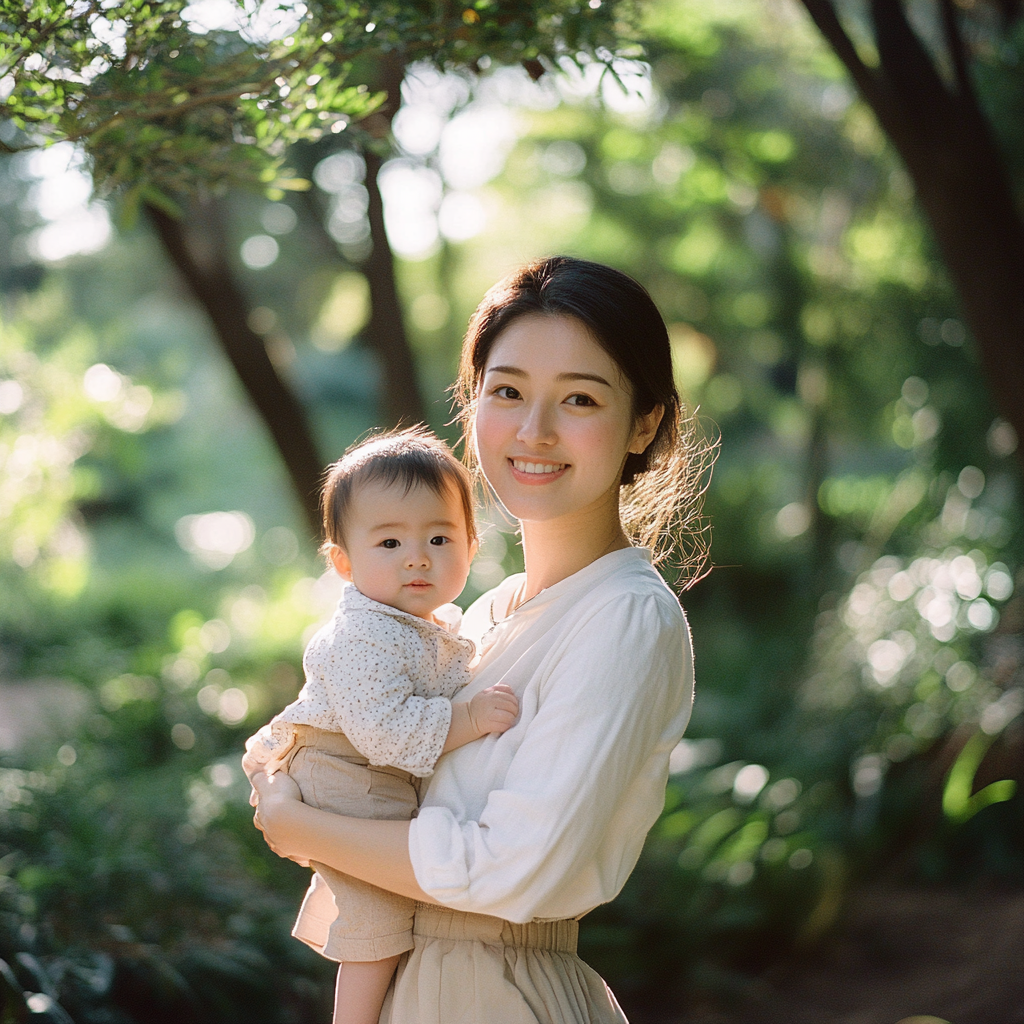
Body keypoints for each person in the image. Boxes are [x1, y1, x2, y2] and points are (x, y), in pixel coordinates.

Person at [251, 255, 713, 1023]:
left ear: (645, 423)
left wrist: (301, 826)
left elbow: (509, 867)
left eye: (579, 398)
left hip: (493, 992)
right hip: (421, 982)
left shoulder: (624, 616)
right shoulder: (480, 618)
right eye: (507, 392)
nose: (534, 431)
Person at [242, 427, 519, 1024]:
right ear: (343, 562)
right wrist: (468, 719)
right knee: (381, 913)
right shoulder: (362, 636)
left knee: (380, 890)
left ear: (471, 547)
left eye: (439, 537)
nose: (417, 557)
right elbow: (383, 732)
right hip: (341, 764)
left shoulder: (429, 622)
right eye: (389, 541)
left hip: (363, 772)